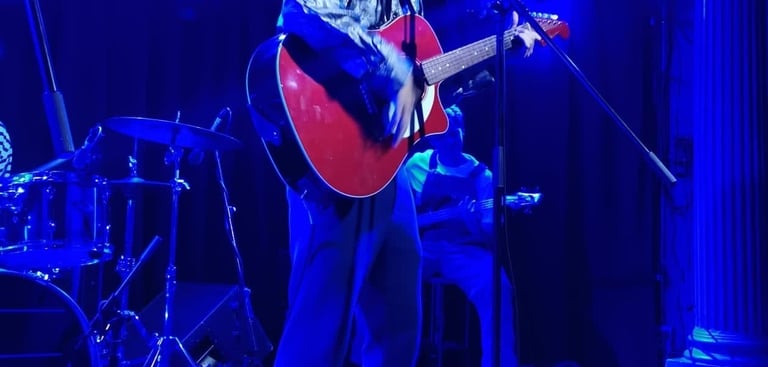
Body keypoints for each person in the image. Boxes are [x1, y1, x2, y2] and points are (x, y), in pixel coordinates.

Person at [270, 1, 539, 366]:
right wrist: (394, 68)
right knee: (320, 327)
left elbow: (422, 89)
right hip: (330, 154)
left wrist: (501, 48)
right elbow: (304, 12)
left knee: (398, 326)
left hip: (385, 164)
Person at [404, 104, 518, 367]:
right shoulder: (418, 165)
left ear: (463, 132)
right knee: (383, 273)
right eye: (444, 135)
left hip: (464, 250)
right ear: (432, 138)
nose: (451, 140)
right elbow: (399, 213)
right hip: (423, 247)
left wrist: (470, 223)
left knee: (497, 285)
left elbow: (490, 237)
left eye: (455, 133)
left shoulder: (482, 176)